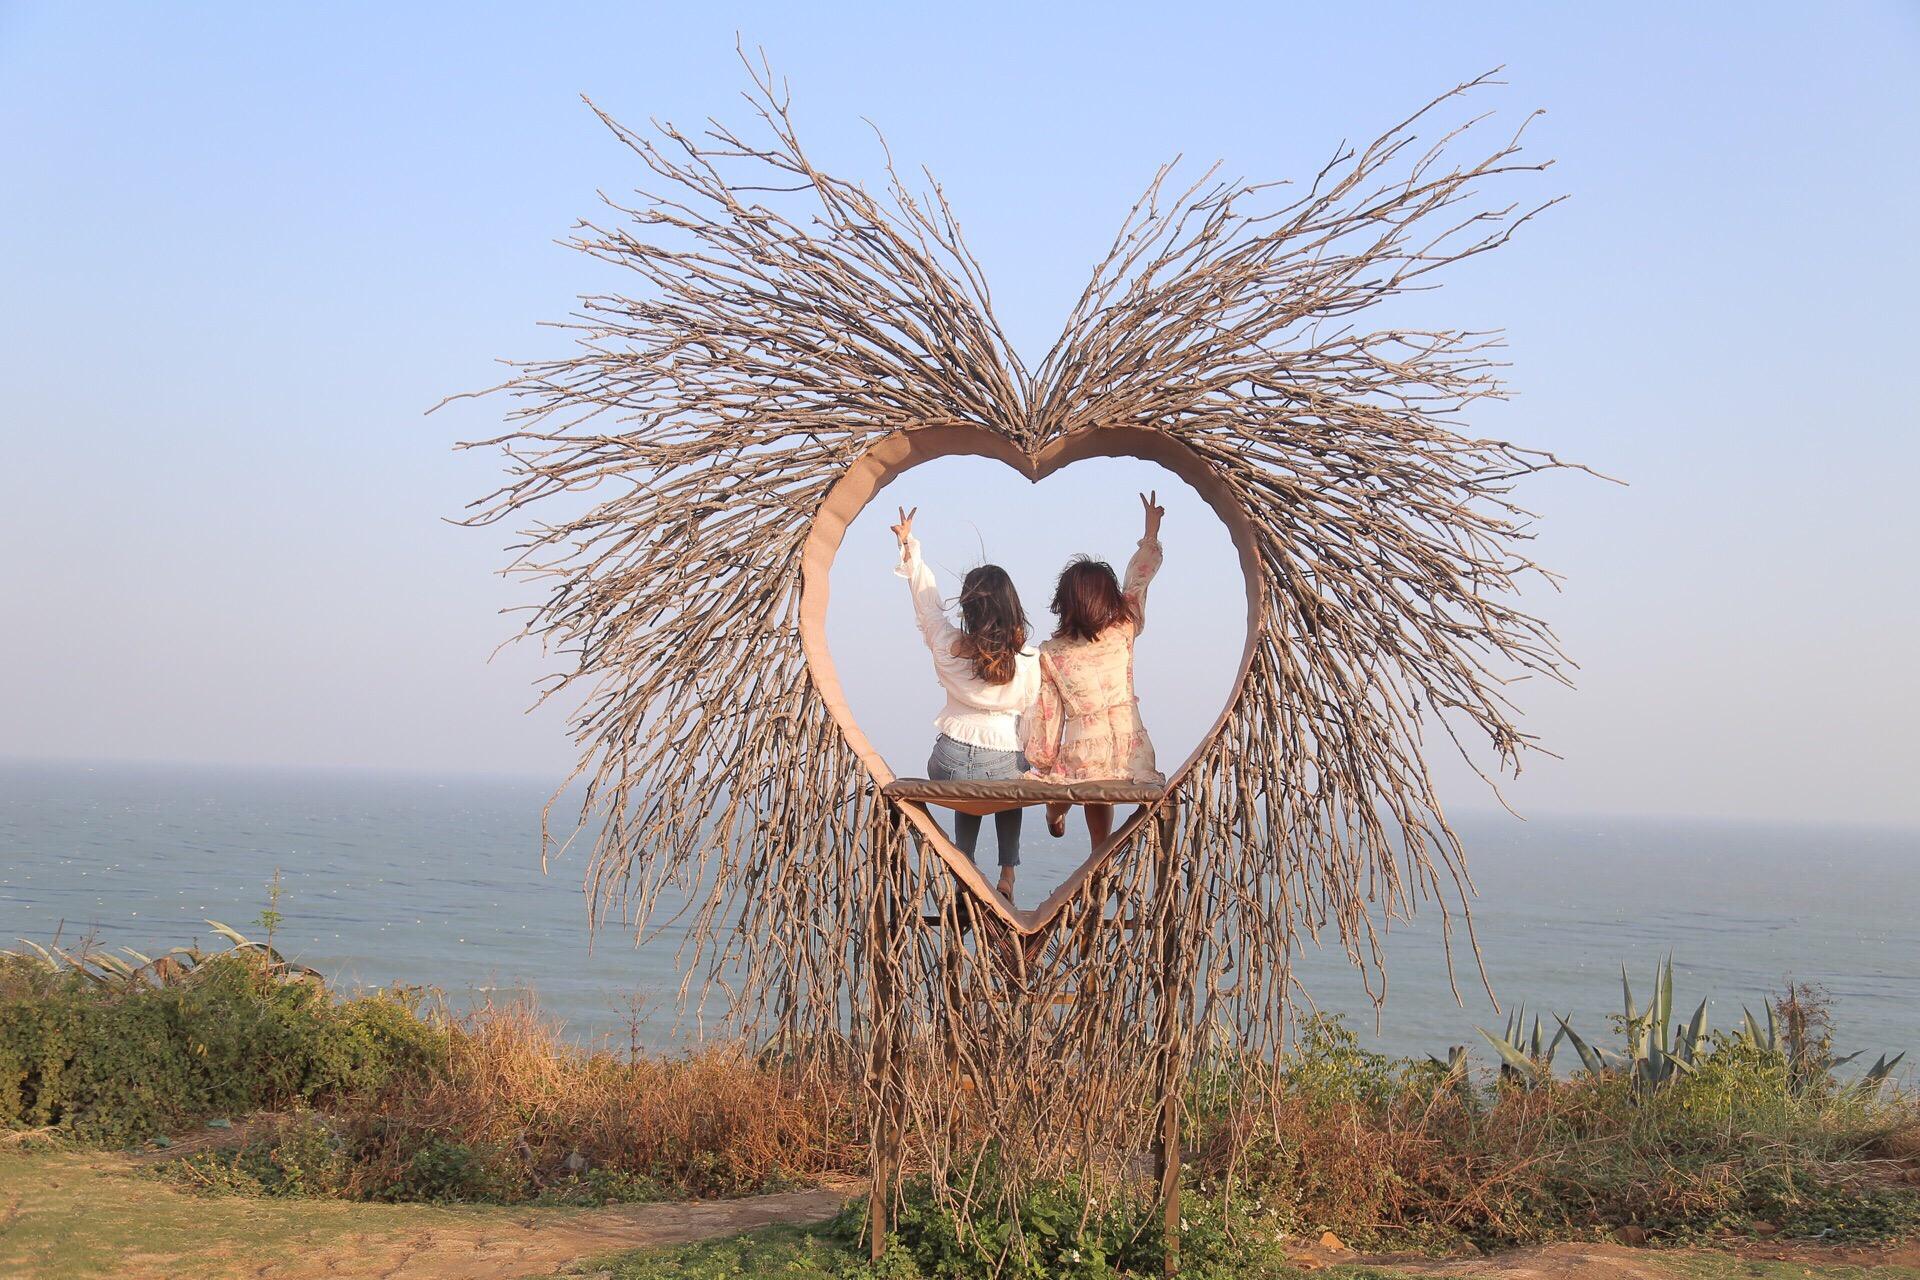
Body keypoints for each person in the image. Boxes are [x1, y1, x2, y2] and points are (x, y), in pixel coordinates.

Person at [891, 506, 1040, 901]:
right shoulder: (1028, 660)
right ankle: (1007, 873)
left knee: (967, 785)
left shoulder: (945, 644)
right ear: (1012, 606)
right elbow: (1030, 718)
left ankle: (965, 867)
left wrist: (910, 546)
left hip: (948, 765)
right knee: (1012, 781)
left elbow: (926, 603)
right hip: (1002, 768)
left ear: (968, 608)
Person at [1023, 492, 1167, 849]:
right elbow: (1138, 579)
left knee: (1069, 779)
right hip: (1131, 751)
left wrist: (1043, 762)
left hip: (1082, 754)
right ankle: (1098, 850)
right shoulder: (1125, 626)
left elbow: (1049, 715)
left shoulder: (1051, 653)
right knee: (1096, 797)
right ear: (1108, 597)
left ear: (1065, 602)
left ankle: (1054, 814)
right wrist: (1150, 532)